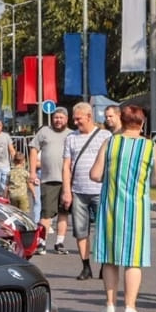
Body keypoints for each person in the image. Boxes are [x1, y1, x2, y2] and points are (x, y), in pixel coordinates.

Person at [89, 104, 156, 312]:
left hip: (110, 206)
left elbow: (94, 174)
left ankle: (110, 304)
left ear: (122, 120)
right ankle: (130, 307)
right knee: (133, 259)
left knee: (109, 258)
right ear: (141, 123)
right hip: (136, 209)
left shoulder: (110, 142)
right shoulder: (149, 147)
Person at [61, 101, 113, 282]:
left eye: (78, 119)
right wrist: (66, 191)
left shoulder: (105, 136)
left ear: (89, 117)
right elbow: (66, 166)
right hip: (78, 191)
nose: (75, 123)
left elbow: (111, 162)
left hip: (100, 190)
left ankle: (104, 266)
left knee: (104, 230)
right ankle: (85, 267)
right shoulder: (71, 138)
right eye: (74, 119)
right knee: (80, 230)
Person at [30, 107, 70, 252]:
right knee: (46, 213)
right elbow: (33, 149)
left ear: (66, 119)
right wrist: (32, 172)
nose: (58, 120)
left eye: (61, 117)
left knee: (64, 213)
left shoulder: (72, 134)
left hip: (67, 181)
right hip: (48, 179)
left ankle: (59, 243)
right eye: (56, 117)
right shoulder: (44, 132)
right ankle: (41, 242)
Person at [6, 145, 32, 214]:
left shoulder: (10, 172)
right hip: (22, 195)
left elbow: (7, 186)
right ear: (23, 161)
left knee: (14, 213)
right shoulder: (25, 172)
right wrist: (34, 193)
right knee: (24, 214)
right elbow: (29, 184)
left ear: (14, 161)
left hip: (13, 196)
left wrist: (5, 196)